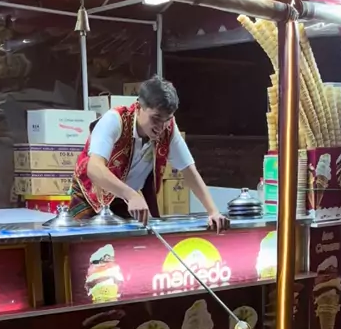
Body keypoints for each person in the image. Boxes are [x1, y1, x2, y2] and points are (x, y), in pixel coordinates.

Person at [68, 76, 228, 230]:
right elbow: (94, 168)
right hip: (91, 195)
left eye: (167, 119)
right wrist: (131, 195)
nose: (161, 127)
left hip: (125, 199)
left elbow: (189, 171)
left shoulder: (168, 128)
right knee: (89, 243)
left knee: (133, 242)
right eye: (156, 118)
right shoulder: (114, 119)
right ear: (139, 107)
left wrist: (213, 211)